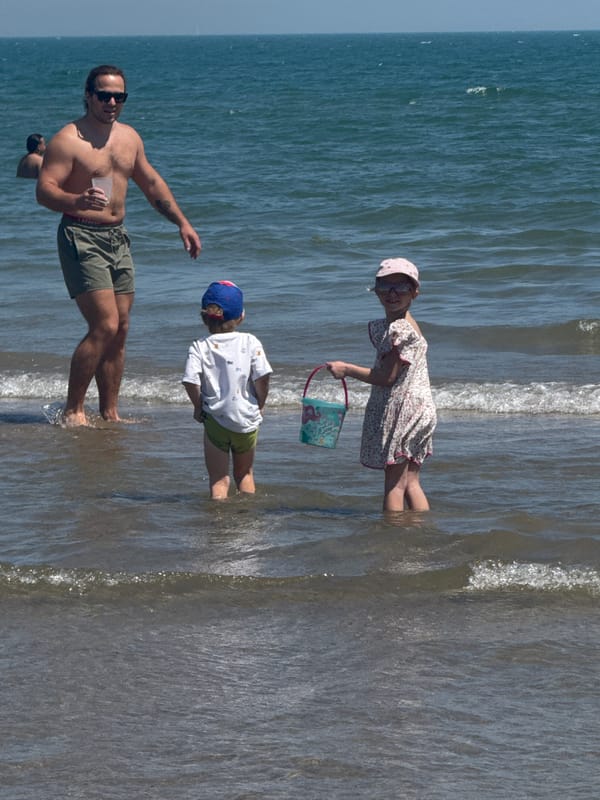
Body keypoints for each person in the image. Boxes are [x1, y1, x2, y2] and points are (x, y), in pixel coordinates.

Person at [36, 64, 201, 427]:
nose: (111, 102)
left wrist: (182, 223)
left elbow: (151, 183)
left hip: (117, 237)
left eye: (118, 96)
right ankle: (73, 411)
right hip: (80, 234)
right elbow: (44, 190)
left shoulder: (129, 138)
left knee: (122, 327)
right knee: (105, 324)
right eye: (104, 95)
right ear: (88, 95)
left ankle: (109, 412)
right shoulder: (68, 140)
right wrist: (77, 201)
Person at [327, 258, 436, 513]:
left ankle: (393, 538)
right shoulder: (407, 322)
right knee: (410, 482)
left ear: (415, 292)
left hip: (404, 411)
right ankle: (419, 530)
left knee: (394, 486)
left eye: (401, 287)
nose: (392, 294)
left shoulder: (399, 328)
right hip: (422, 410)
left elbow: (386, 378)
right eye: (386, 286)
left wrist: (347, 369)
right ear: (376, 291)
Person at [182, 281, 272, 500]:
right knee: (245, 474)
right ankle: (247, 520)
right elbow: (263, 376)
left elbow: (190, 380)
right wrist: (260, 403)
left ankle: (219, 523)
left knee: (218, 479)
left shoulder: (199, 345)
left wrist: (197, 406)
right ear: (241, 316)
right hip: (246, 420)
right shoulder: (250, 341)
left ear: (204, 317)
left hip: (215, 420)